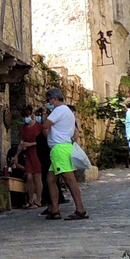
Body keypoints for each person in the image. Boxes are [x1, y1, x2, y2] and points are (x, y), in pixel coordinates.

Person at [40, 88, 88, 220]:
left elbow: (45, 126)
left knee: (69, 179)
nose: (47, 103)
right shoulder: (67, 111)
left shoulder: (59, 110)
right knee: (50, 180)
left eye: (48, 100)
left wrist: (44, 116)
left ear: (53, 99)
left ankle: (80, 209)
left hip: (59, 149)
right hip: (62, 147)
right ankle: (54, 210)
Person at [19, 108, 46, 207]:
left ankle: (38, 200)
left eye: (27, 116)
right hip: (29, 155)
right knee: (29, 177)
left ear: (31, 115)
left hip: (37, 153)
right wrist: (16, 155)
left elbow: (42, 141)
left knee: (37, 177)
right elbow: (21, 142)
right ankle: (30, 200)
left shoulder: (38, 127)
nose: (25, 118)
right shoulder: (23, 128)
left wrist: (30, 144)